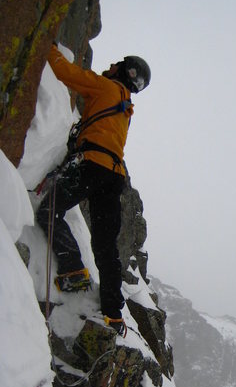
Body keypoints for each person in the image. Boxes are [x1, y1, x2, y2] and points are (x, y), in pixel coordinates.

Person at [36, 44, 151, 336]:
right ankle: (113, 313)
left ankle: (73, 268)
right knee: (105, 246)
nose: (111, 66)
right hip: (114, 177)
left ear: (126, 71)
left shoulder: (106, 88)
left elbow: (66, 72)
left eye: (117, 65)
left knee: (49, 211)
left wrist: (47, 45)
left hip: (93, 165)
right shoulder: (125, 109)